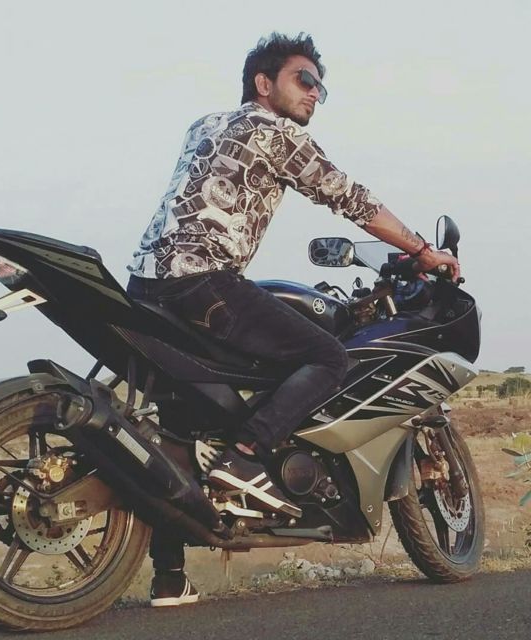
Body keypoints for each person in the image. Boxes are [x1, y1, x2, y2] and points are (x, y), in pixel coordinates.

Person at [127, 32, 460, 607]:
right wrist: (424, 252)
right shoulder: (273, 131)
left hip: (148, 286)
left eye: (321, 88)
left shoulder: (205, 124)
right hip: (204, 280)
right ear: (264, 83)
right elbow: (351, 199)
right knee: (328, 356)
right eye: (304, 80)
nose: (314, 94)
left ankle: (169, 576)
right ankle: (247, 458)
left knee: (182, 422)